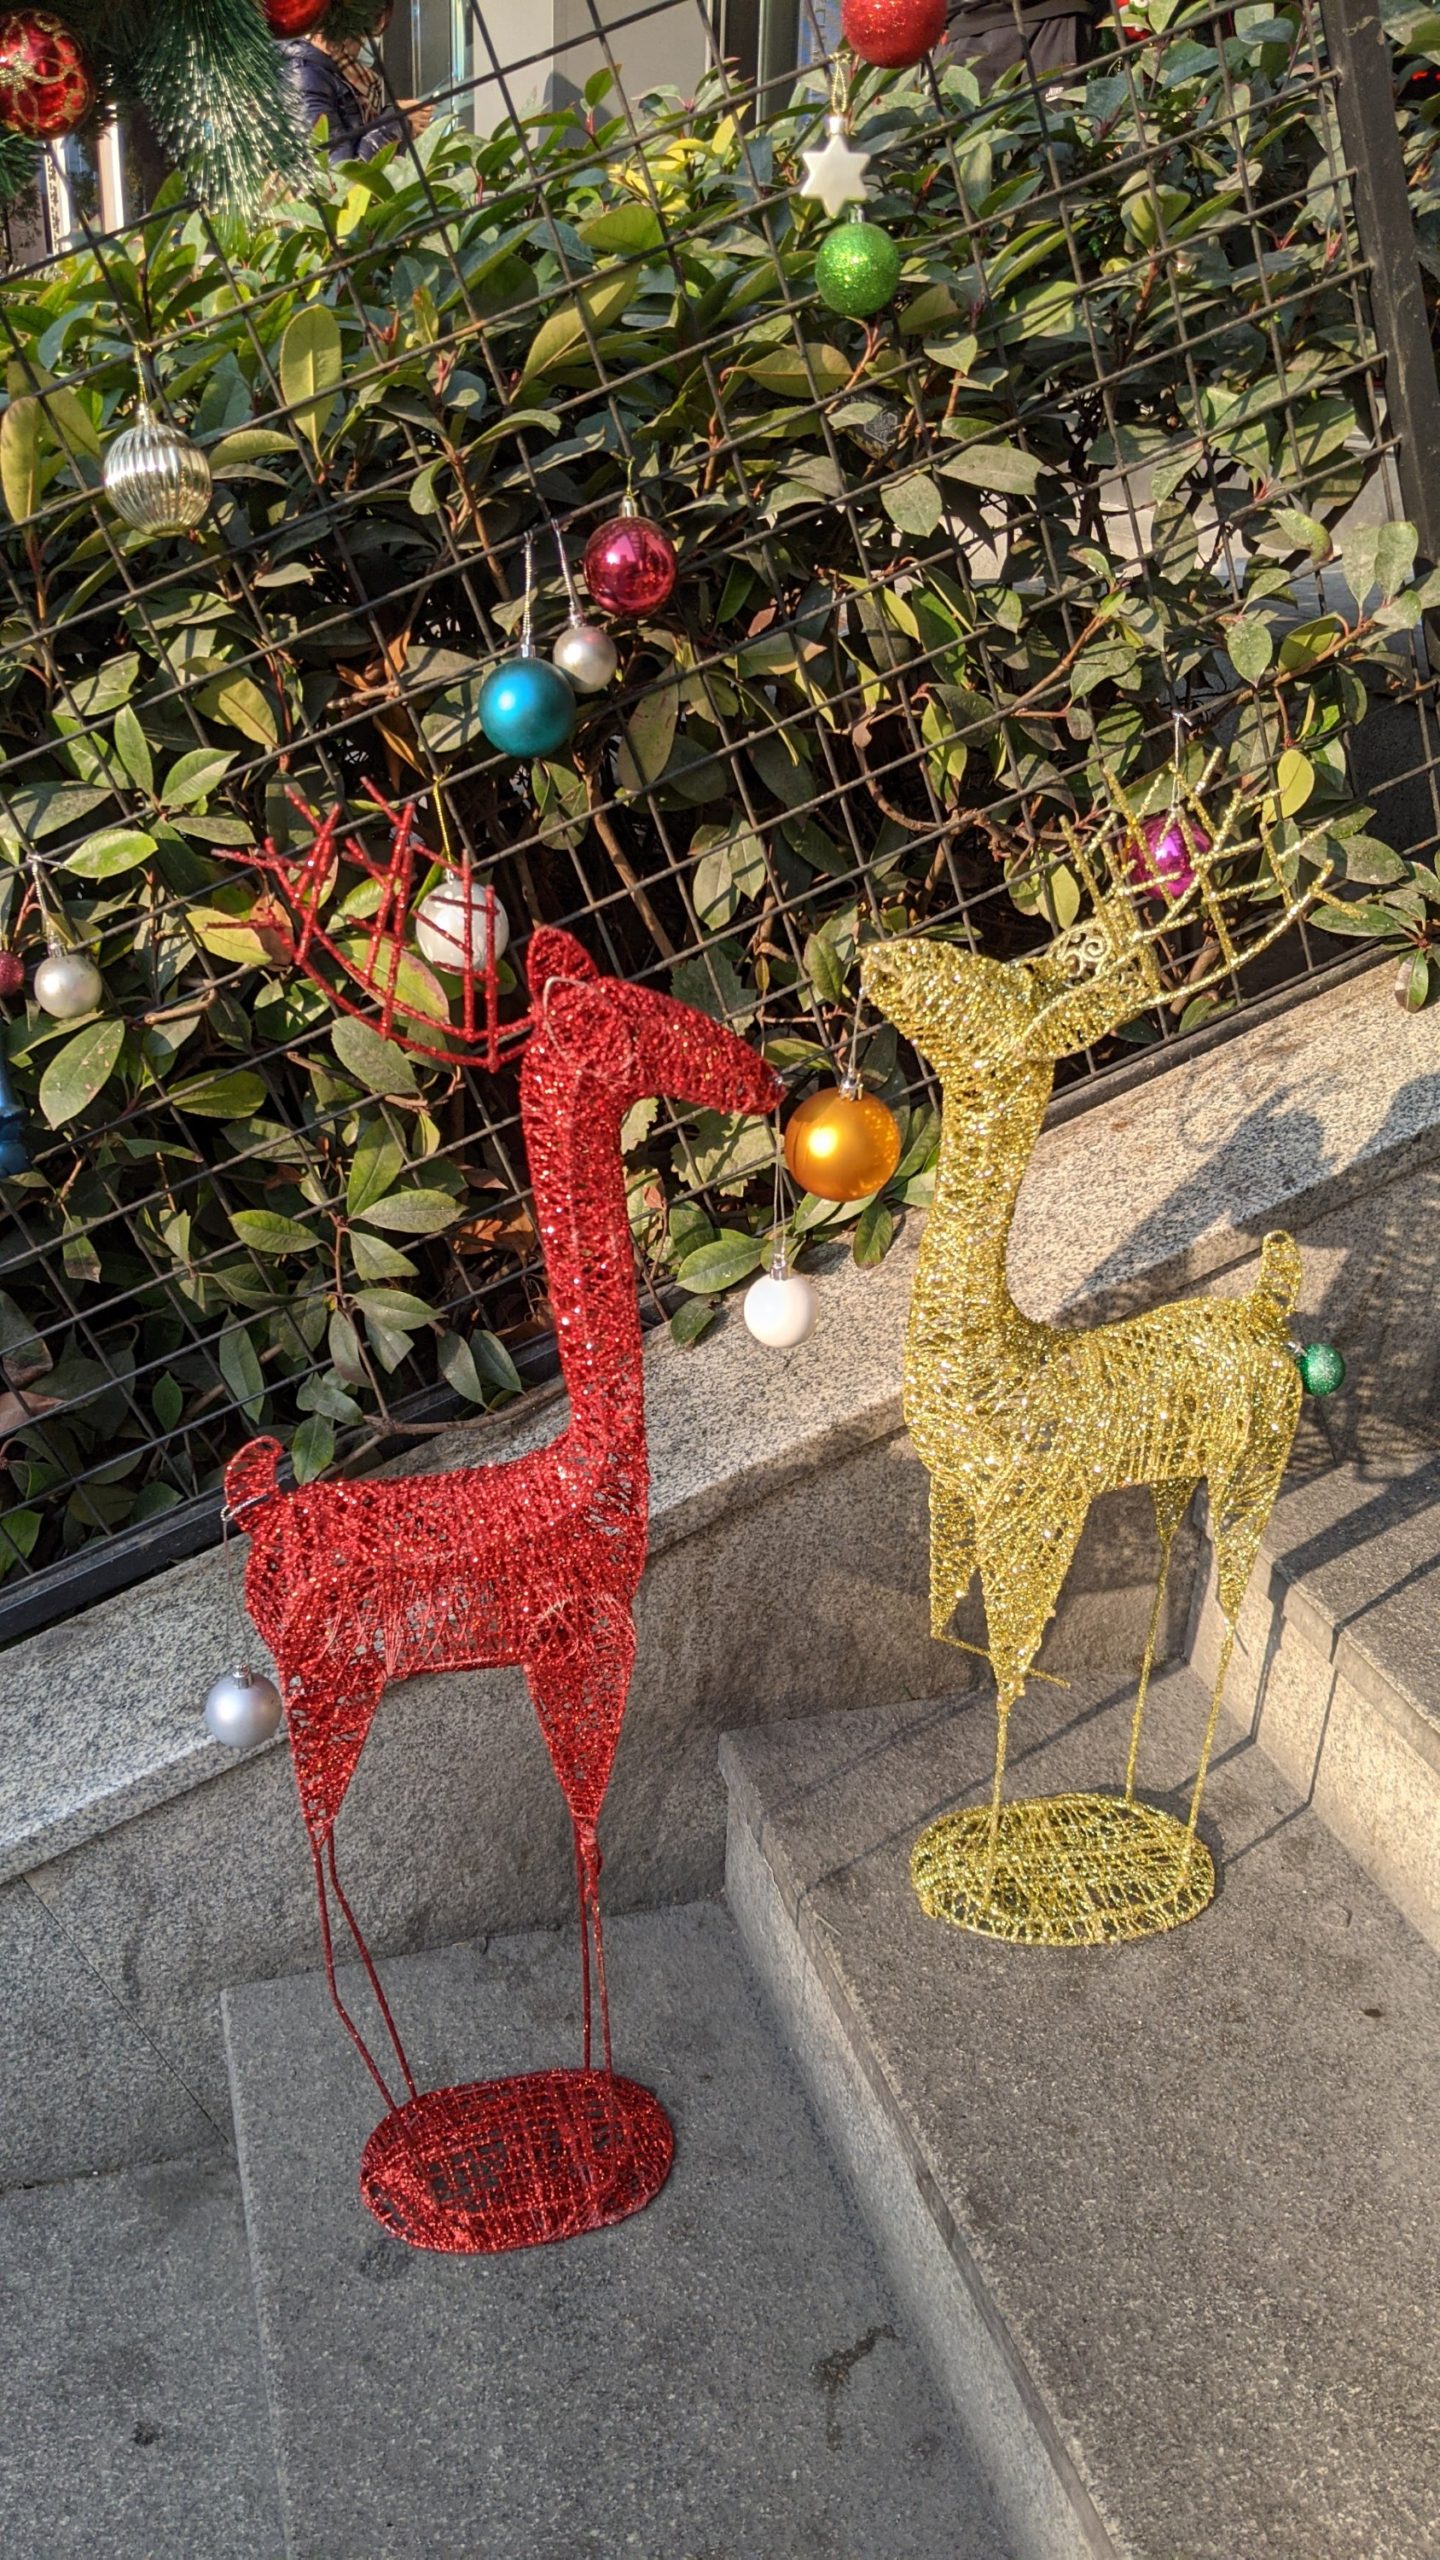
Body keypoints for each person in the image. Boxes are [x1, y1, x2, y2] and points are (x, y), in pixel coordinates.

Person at [282, 3, 434, 164]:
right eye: (370, 34)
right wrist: (395, 123)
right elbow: (337, 173)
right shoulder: (306, 76)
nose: (369, 44)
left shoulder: (341, 77)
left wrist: (397, 124)